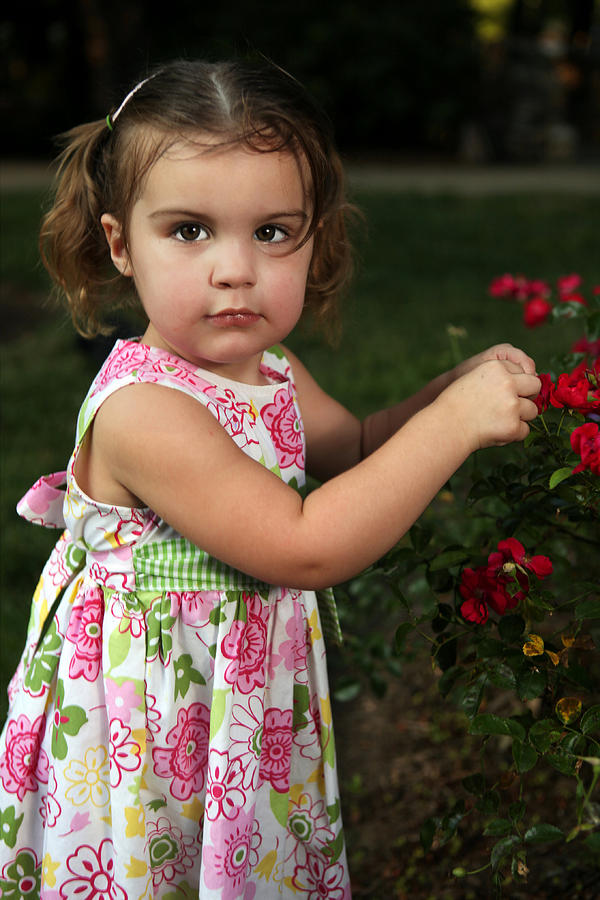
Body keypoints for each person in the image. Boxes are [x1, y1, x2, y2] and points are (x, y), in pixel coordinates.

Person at [0, 59, 541, 899]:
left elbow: (359, 447)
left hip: (235, 709)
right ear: (119, 244)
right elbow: (305, 546)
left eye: (273, 232)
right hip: (148, 730)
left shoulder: (271, 371)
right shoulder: (146, 409)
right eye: (189, 231)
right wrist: (453, 426)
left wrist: (444, 395)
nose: (234, 268)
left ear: (313, 236)